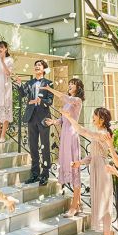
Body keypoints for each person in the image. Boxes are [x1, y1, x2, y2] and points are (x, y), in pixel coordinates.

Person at [62, 106, 115, 235]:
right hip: (96, 170)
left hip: (103, 172)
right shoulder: (99, 133)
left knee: (105, 208)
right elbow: (93, 156)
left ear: (102, 119)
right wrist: (79, 163)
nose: (93, 117)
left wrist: (70, 117)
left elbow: (81, 130)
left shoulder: (103, 134)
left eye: (95, 116)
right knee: (100, 205)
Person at [44, 78, 85, 217]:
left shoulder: (77, 100)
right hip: (65, 135)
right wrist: (53, 122)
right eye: (69, 84)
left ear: (78, 87)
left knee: (74, 169)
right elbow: (63, 119)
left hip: (72, 135)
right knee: (68, 166)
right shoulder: (68, 102)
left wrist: (49, 89)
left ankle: (74, 207)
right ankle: (79, 204)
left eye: (73, 84)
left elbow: (63, 96)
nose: (70, 85)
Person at [15, 60, 54, 186]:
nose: (37, 67)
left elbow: (50, 101)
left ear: (44, 69)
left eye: (39, 65)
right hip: (31, 117)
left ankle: (45, 174)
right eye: (35, 65)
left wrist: (40, 101)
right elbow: (22, 94)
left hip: (44, 118)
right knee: (33, 146)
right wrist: (19, 84)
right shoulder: (30, 83)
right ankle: (35, 173)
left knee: (45, 145)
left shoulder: (49, 83)